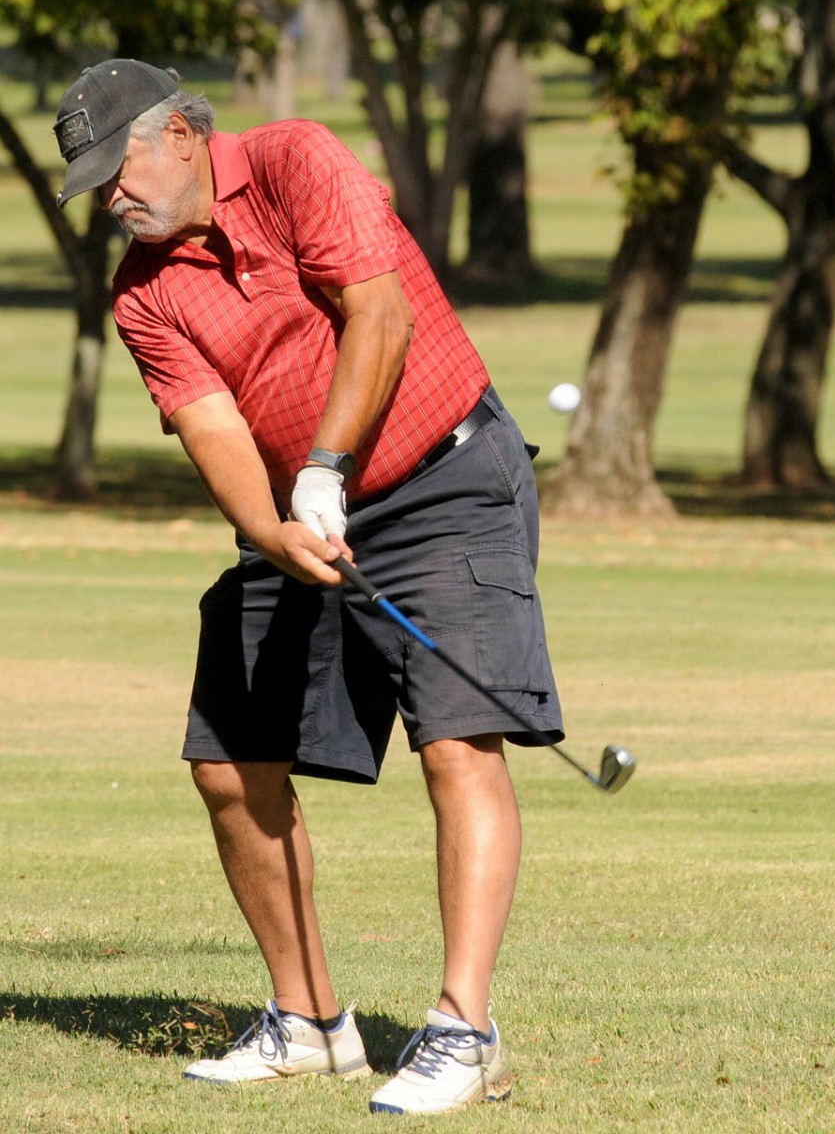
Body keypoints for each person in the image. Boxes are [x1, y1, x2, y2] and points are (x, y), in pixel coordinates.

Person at [53, 58, 564, 1116]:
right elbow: (213, 428)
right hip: (298, 519)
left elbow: (381, 316)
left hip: (441, 481)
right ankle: (311, 1023)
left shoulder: (297, 159)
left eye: (118, 170)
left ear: (181, 133)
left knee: (457, 742)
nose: (113, 199)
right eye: (95, 187)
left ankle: (463, 1029)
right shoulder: (143, 294)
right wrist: (274, 533)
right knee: (229, 762)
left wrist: (325, 469)